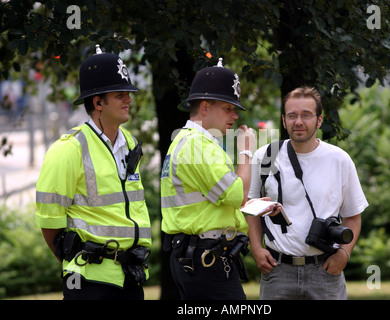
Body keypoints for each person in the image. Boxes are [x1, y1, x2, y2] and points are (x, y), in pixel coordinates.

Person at [35, 45, 152, 300]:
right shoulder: (68, 149)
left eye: (128, 93)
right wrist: (77, 260)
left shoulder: (131, 143)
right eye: (120, 94)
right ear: (98, 102)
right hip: (88, 282)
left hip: (131, 276)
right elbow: (49, 224)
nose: (128, 99)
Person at [160, 58, 278, 300]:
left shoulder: (188, 141)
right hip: (205, 259)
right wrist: (246, 149)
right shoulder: (198, 145)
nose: (235, 115)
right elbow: (237, 194)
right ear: (205, 107)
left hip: (195, 256)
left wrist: (249, 205)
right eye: (228, 108)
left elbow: (220, 199)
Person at [246, 86, 368, 300]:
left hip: (325, 271)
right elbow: (251, 209)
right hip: (277, 270)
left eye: (306, 115)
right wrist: (256, 248)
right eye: (292, 116)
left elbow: (353, 216)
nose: (299, 122)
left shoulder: (339, 159)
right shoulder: (265, 156)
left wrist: (344, 254)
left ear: (319, 120)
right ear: (284, 120)